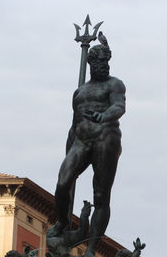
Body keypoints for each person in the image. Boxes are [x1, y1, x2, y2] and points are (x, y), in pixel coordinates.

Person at [49, 42, 126, 257]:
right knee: (63, 182)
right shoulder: (79, 91)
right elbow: (74, 125)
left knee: (101, 195)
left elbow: (119, 106)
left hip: (106, 139)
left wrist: (104, 116)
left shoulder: (115, 84)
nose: (104, 65)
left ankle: (91, 249)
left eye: (106, 61)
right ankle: (62, 222)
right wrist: (69, 147)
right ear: (90, 62)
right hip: (81, 140)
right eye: (100, 61)